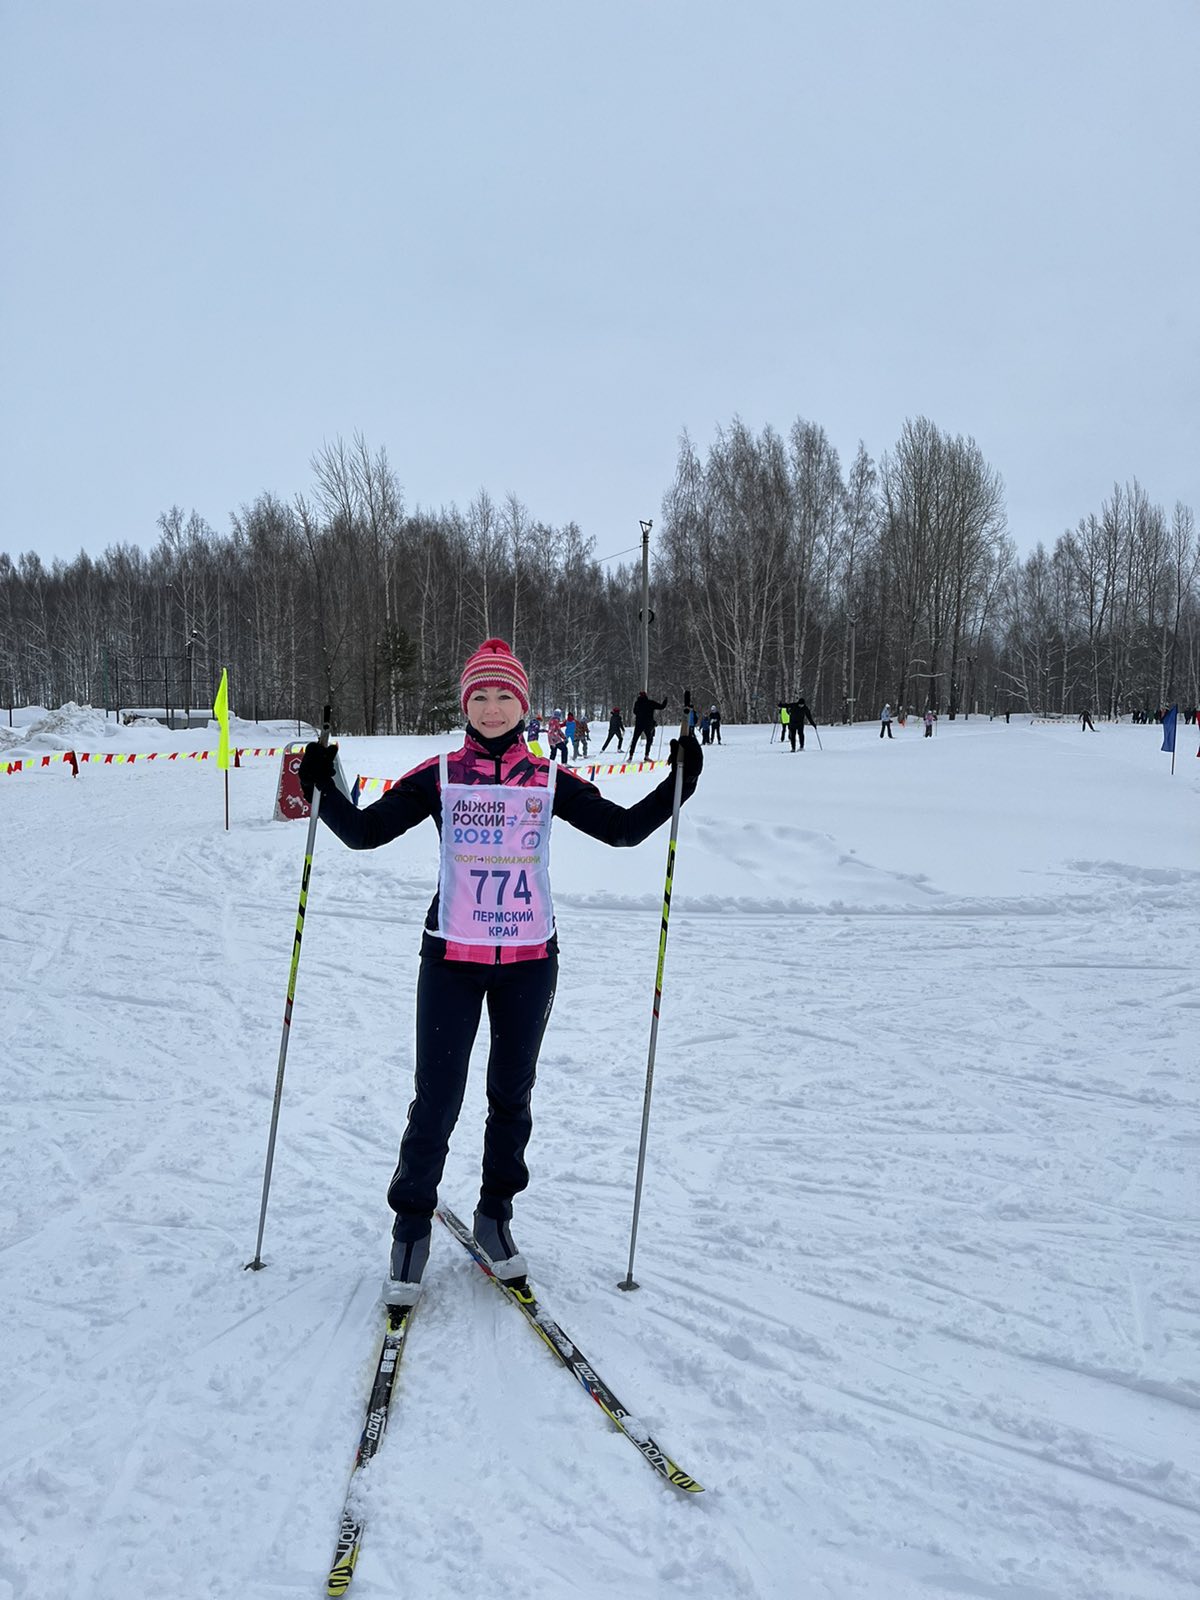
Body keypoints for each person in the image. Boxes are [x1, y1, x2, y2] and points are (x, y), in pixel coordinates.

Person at [297, 638, 703, 1306]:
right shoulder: (442, 774)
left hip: (529, 964)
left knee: (510, 1099)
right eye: (479, 696)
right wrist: (320, 785)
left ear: (523, 704)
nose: (491, 708)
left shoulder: (545, 779)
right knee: (438, 1100)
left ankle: (494, 1217)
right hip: (451, 958)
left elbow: (624, 830)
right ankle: (410, 1226)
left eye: (503, 696)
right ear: (466, 703)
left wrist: (679, 783)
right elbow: (365, 833)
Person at [629, 689, 668, 762]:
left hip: (639, 723)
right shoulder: (650, 702)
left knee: (635, 739)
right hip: (648, 724)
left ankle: (631, 756)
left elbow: (635, 712)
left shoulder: (637, 703)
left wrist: (640, 715)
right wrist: (665, 700)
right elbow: (662, 707)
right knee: (649, 739)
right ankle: (646, 756)